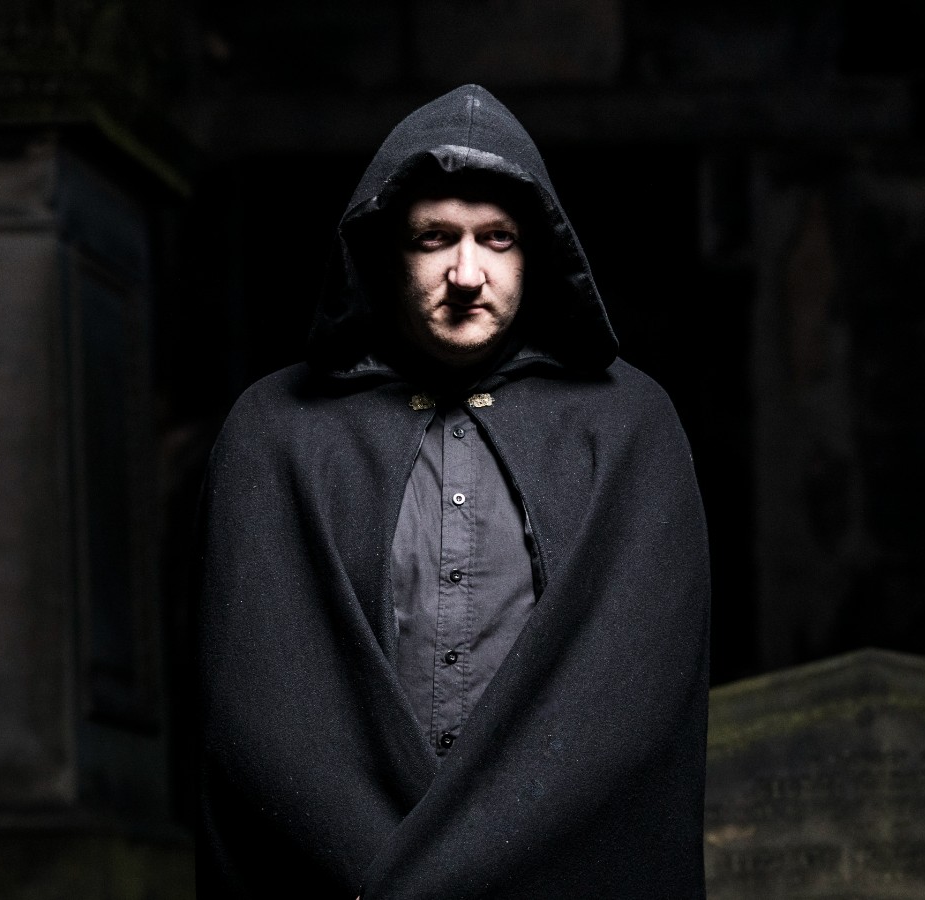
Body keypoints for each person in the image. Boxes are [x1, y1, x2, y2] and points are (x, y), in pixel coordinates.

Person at [198, 84, 711, 899]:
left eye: (496, 239)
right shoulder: (276, 431)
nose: (467, 274)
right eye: (435, 239)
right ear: (383, 252)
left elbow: (630, 713)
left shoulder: (628, 428)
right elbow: (263, 718)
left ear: (535, 252)